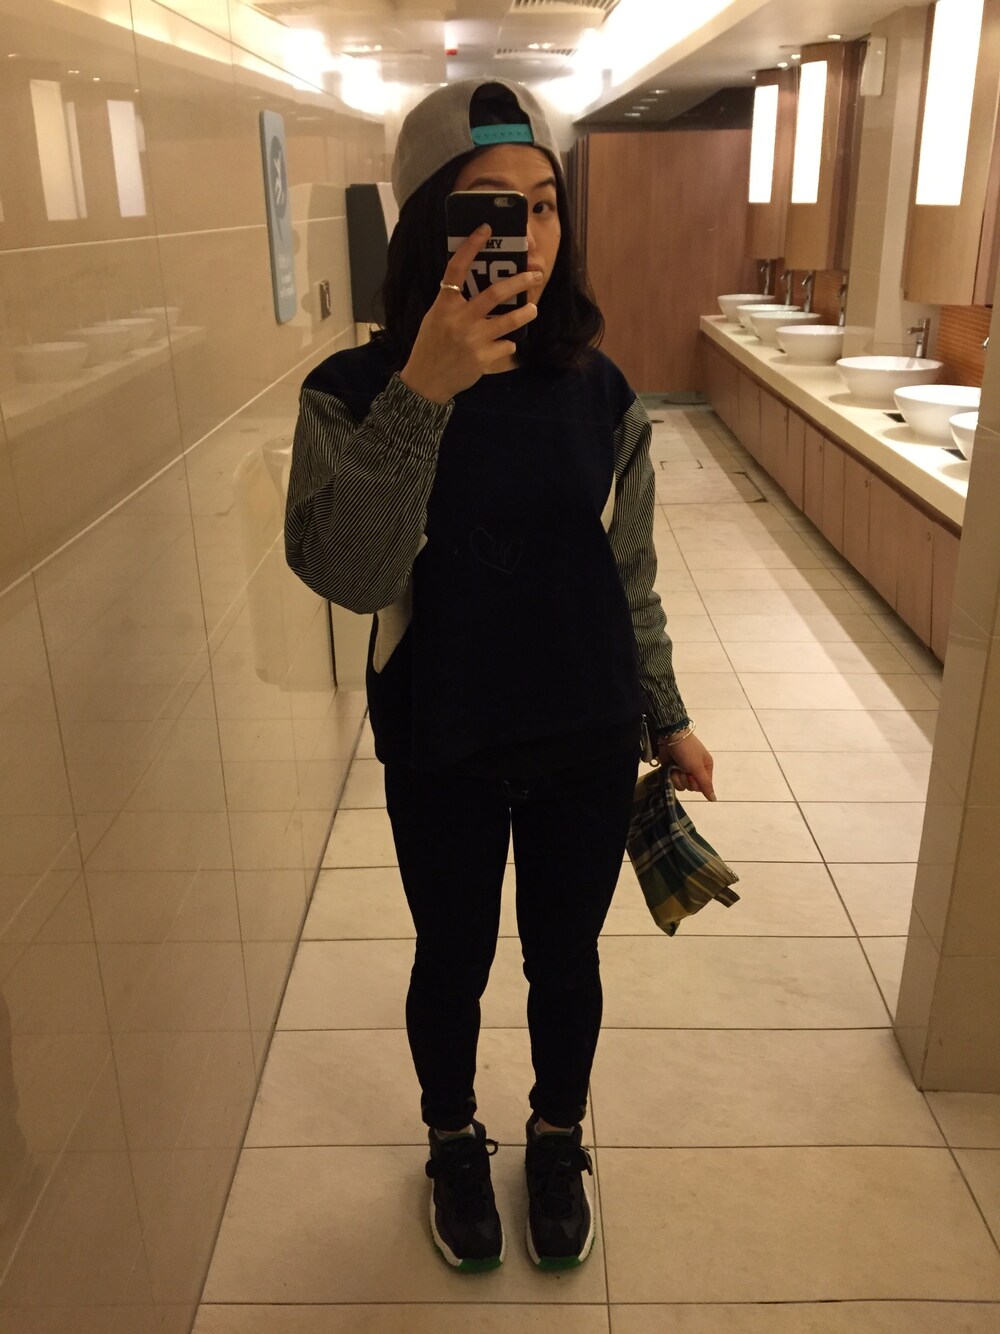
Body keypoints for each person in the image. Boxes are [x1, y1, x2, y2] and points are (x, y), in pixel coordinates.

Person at [284, 77, 716, 1275]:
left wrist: (666, 714)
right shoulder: (350, 392)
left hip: (585, 730)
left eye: (543, 202)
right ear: (430, 220)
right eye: (488, 203)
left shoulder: (599, 389)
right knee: (453, 957)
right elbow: (351, 572)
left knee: (564, 959)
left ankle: (557, 1139)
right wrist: (424, 389)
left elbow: (628, 574)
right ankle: (452, 1140)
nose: (523, 229)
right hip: (444, 733)